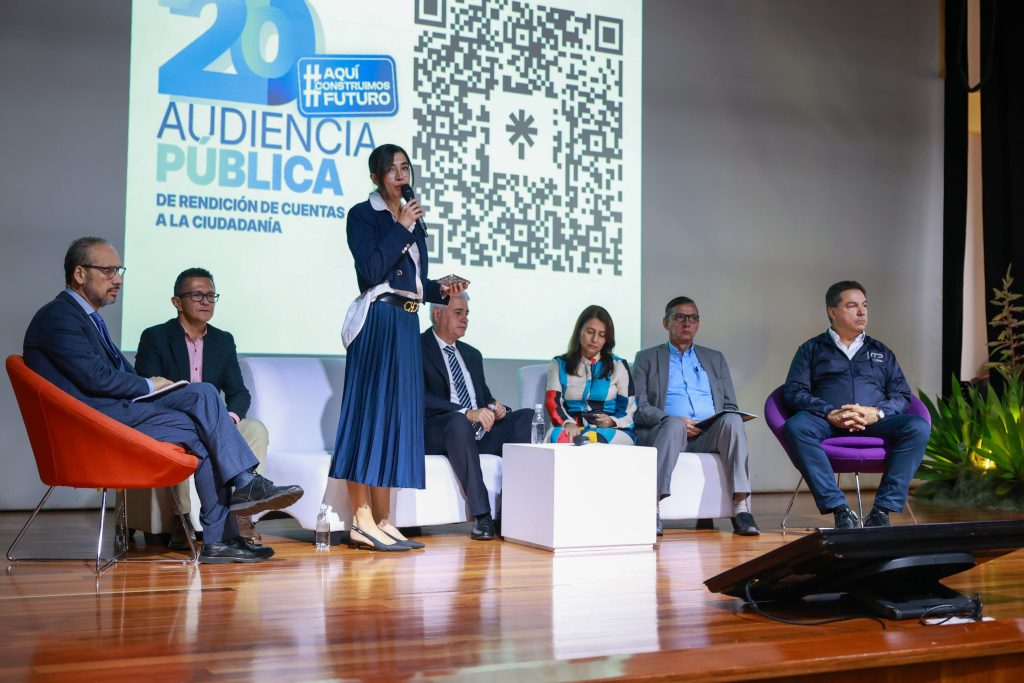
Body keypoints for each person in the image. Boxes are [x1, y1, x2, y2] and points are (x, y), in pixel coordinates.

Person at [23, 237, 303, 564]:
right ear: (80, 274)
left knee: (204, 415)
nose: (118, 279)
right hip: (95, 424)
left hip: (115, 413)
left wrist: (155, 388)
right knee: (204, 398)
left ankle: (221, 538)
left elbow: (107, 376)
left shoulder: (84, 317)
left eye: (119, 271)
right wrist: (149, 384)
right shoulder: (60, 316)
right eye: (109, 271)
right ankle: (241, 491)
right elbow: (94, 378)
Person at [331, 143, 466, 551]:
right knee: (369, 417)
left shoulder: (411, 219)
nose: (401, 175)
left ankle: (384, 519)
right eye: (391, 169)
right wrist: (402, 227)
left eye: (405, 167)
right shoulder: (363, 215)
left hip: (407, 322)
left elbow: (412, 282)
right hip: (378, 321)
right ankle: (360, 519)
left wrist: (442, 290)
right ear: (376, 177)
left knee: (394, 420)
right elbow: (373, 270)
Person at [133, 267, 270, 545]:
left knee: (255, 429)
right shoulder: (155, 337)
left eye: (211, 295)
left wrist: (229, 419)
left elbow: (239, 393)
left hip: (215, 423)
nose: (206, 301)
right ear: (177, 302)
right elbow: (148, 388)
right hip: (173, 422)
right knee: (190, 434)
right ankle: (180, 519)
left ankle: (242, 515)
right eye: (197, 295)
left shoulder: (223, 340)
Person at [782, 280, 930, 528]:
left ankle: (882, 510)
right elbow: (794, 391)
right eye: (852, 306)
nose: (862, 312)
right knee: (796, 427)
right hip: (828, 421)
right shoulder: (811, 349)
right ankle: (840, 509)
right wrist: (829, 412)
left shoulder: (881, 351)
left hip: (874, 422)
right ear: (833, 312)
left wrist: (876, 413)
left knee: (917, 427)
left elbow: (902, 394)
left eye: (865, 305)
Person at [633, 297, 759, 536]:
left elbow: (730, 404)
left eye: (693, 318)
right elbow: (640, 407)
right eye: (680, 317)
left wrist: (711, 422)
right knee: (674, 425)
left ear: (698, 323)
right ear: (666, 323)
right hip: (668, 432)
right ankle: (652, 508)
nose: (687, 323)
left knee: (732, 419)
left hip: (707, 433)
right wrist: (670, 419)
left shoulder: (715, 358)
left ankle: (741, 508)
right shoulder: (646, 358)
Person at [421, 293, 533, 540]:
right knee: (459, 421)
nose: (465, 319)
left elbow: (483, 397)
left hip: (476, 431)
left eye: (467, 314)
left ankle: (513, 512)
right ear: (437, 314)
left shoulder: (472, 354)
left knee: (526, 417)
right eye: (458, 313)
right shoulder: (417, 347)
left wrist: (495, 408)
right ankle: (482, 515)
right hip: (440, 429)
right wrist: (466, 413)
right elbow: (419, 397)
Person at [545, 305, 636, 445]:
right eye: (590, 332)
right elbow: (553, 402)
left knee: (592, 439)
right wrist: (567, 423)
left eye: (602, 335)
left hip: (612, 430)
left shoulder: (618, 365)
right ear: (579, 331)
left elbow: (628, 408)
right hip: (571, 427)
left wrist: (612, 421)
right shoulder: (559, 364)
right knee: (558, 437)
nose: (595, 339)